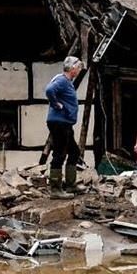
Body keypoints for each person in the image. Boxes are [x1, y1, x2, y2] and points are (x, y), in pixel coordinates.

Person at [45, 56, 84, 199]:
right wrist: (56, 104)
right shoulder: (61, 80)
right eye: (79, 68)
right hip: (59, 122)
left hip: (65, 123)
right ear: (73, 68)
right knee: (60, 153)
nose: (79, 70)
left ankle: (70, 185)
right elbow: (49, 90)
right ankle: (55, 189)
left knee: (74, 152)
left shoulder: (67, 81)